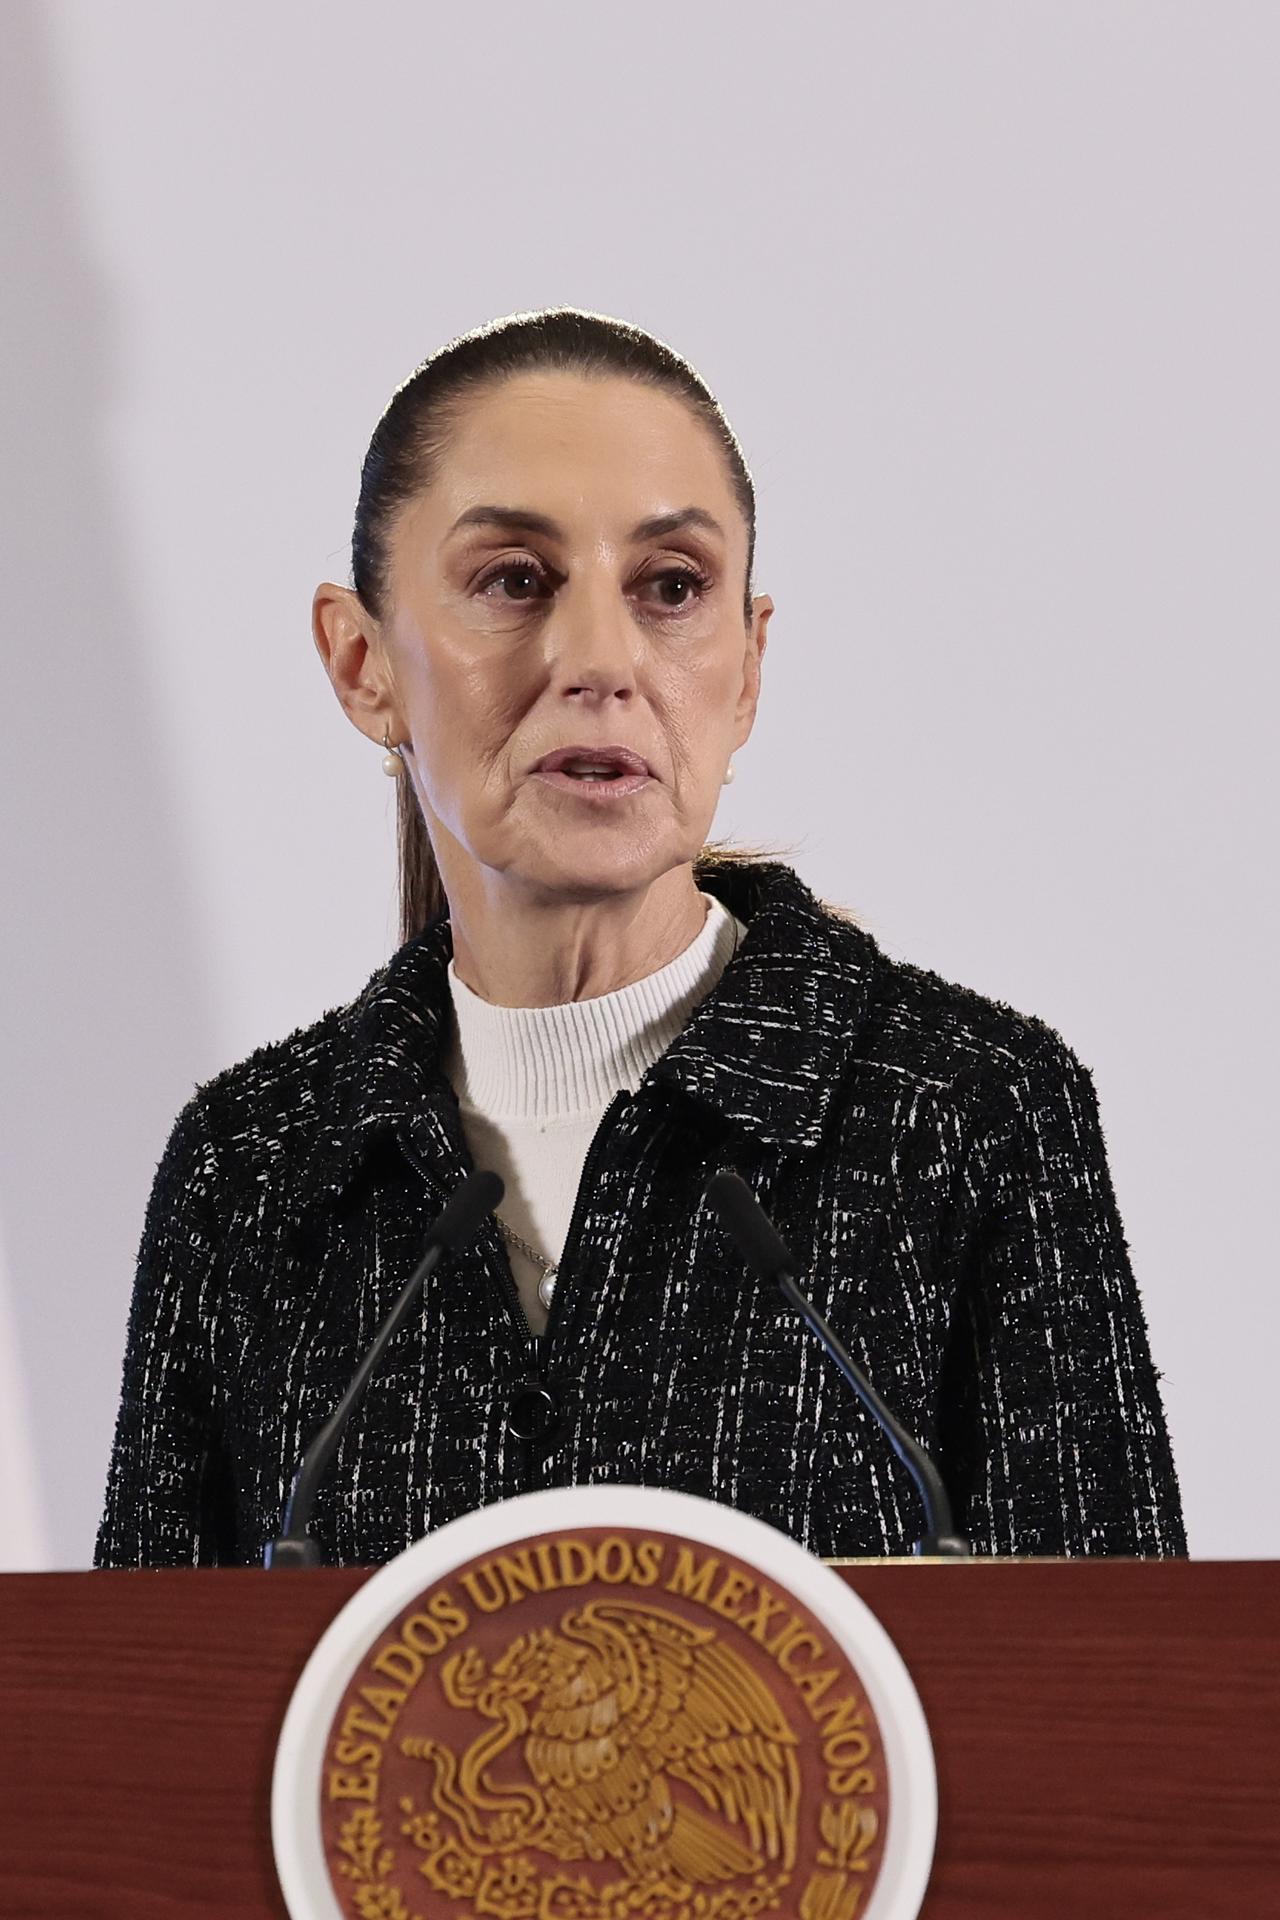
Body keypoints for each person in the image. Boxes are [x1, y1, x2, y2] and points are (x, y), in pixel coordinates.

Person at [94, 307, 1185, 1569]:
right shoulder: (254, 1165)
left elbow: (1124, 1712)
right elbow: (142, 1727)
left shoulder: (971, 1110)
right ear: (361, 663)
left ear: (747, 666)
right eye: (513, 580)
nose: (599, 661)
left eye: (670, 589)